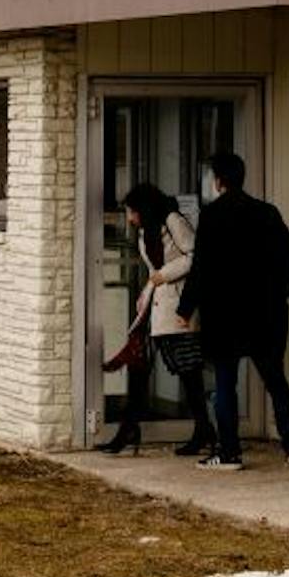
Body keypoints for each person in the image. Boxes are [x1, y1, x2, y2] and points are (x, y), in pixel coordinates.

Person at [176, 150, 289, 472]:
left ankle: (230, 452)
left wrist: (185, 307)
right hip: (266, 312)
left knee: (225, 382)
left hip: (225, 314)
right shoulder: (267, 212)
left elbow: (201, 268)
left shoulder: (212, 216)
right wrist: (278, 293)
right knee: (275, 379)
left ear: (218, 181)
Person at [97, 183, 216, 456]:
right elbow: (155, 270)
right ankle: (128, 429)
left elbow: (195, 255)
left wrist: (163, 276)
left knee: (188, 372)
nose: (129, 217)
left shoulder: (173, 221)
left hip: (177, 308)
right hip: (157, 306)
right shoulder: (146, 230)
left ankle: (203, 429)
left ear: (144, 209)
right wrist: (150, 288)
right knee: (139, 367)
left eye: (131, 211)